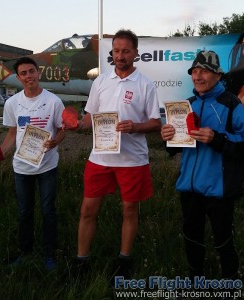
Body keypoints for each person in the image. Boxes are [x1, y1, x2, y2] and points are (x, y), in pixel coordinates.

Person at [64, 29, 162, 279]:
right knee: (88, 211)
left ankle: (124, 259)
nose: (120, 55)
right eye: (116, 51)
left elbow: (155, 123)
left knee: (129, 212)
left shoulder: (146, 85)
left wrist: (135, 127)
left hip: (133, 160)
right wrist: (77, 124)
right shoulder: (101, 81)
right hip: (100, 158)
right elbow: (90, 116)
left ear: (135, 53)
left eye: (125, 51)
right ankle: (81, 261)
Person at [161, 50, 244, 287]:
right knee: (192, 236)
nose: (197, 76)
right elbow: (174, 149)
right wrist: (168, 138)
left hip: (218, 188)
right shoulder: (186, 105)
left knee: (223, 238)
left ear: (217, 75)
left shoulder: (231, 104)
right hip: (189, 186)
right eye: (194, 71)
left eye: (203, 71)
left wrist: (218, 139)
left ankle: (230, 282)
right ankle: (196, 280)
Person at [0, 57, 65, 271]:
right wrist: (1, 152)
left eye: (31, 71)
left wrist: (54, 142)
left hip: (47, 165)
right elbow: (13, 133)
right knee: (24, 212)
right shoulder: (12, 103)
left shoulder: (53, 101)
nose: (29, 76)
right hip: (22, 167)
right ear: (19, 77)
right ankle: (25, 252)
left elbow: (62, 130)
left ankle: (50, 255)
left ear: (38, 72)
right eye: (23, 73)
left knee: (48, 211)